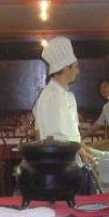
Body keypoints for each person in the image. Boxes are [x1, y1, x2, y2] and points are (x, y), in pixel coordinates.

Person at [32, 36, 93, 164]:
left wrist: (86, 149)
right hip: (59, 164)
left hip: (68, 162)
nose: (78, 71)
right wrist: (81, 152)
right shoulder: (52, 96)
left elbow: (73, 134)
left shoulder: (67, 95)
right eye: (76, 67)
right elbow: (57, 138)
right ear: (66, 68)